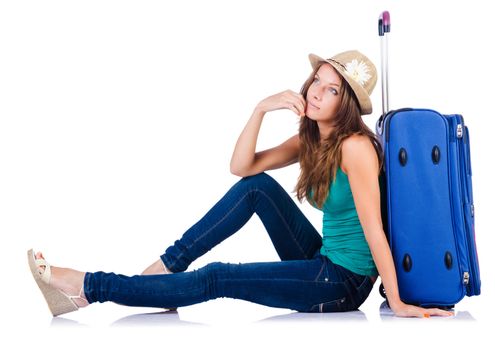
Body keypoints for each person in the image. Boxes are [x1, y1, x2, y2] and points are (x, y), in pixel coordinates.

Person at [28, 50, 453, 318]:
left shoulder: (355, 147)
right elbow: (242, 168)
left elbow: (375, 230)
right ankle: (164, 272)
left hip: (343, 282)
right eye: (316, 83)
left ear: (346, 105)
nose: (318, 93)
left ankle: (89, 286)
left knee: (219, 277)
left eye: (333, 90)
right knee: (258, 187)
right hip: (324, 257)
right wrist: (261, 109)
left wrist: (395, 302)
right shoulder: (313, 138)